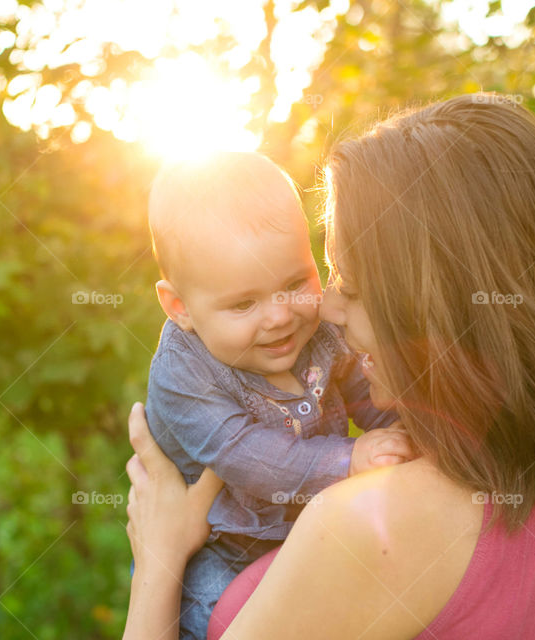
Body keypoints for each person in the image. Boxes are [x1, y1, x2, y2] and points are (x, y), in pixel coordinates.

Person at [123, 95, 535, 639]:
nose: (328, 313)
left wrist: (157, 561)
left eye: (353, 290)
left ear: (441, 315)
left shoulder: (362, 529)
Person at [142, 151, 414, 639]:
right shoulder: (182, 373)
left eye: (294, 283)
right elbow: (244, 454)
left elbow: (365, 392)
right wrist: (349, 460)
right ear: (180, 306)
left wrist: (402, 433)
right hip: (224, 546)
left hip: (310, 533)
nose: (280, 316)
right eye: (244, 303)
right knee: (215, 620)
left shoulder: (318, 329)